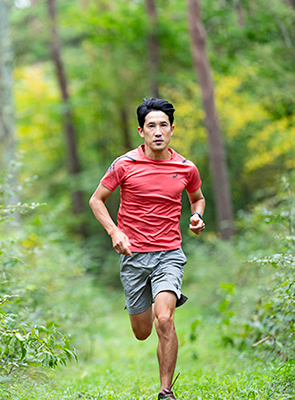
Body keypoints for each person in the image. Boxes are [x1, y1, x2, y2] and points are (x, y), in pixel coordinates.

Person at [88, 98, 206, 400]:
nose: (157, 132)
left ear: (172, 129)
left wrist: (196, 216)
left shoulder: (185, 167)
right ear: (141, 131)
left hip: (169, 254)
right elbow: (96, 200)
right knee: (142, 331)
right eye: (151, 126)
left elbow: (197, 198)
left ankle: (166, 391)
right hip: (133, 257)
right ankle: (153, 299)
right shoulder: (124, 164)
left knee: (165, 319)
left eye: (163, 125)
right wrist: (114, 231)